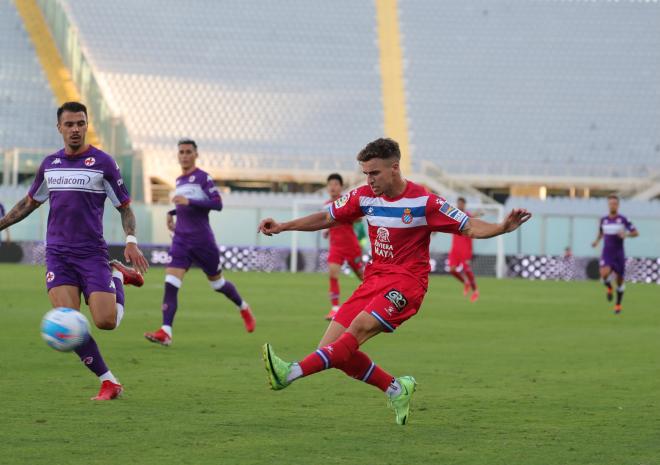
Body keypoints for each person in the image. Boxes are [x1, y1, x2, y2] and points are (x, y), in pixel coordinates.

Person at [258, 138, 531, 425]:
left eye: (374, 173)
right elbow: (328, 216)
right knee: (333, 351)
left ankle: (290, 373)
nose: (369, 179)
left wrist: (502, 228)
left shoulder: (425, 202)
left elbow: (469, 225)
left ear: (394, 168)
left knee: (357, 330)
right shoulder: (364, 196)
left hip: (407, 284)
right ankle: (396, 388)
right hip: (374, 280)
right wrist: (284, 226)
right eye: (365, 173)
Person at [0, 101, 148, 400]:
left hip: (92, 253)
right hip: (58, 254)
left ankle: (117, 277)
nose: (75, 129)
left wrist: (131, 239)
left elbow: (125, 208)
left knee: (106, 322)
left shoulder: (103, 163)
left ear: (86, 125)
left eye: (81, 123)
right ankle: (109, 382)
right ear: (60, 128)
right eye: (69, 124)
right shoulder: (49, 165)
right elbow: (29, 204)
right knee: (68, 323)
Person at [144, 139, 255, 346]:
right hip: (181, 240)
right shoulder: (178, 180)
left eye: (188, 152)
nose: (184, 155)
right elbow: (185, 207)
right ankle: (166, 331)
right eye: (181, 152)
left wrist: (189, 201)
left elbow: (217, 204)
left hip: (202, 241)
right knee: (171, 284)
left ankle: (243, 306)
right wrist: (172, 212)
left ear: (196, 154)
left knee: (218, 284)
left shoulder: (203, 178)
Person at [323, 173, 364, 320]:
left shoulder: (345, 201)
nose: (333, 187)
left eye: (336, 184)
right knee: (333, 274)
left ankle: (373, 301)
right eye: (330, 184)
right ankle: (335, 308)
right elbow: (326, 221)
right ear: (328, 187)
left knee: (363, 276)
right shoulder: (326, 205)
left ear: (341, 187)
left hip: (351, 246)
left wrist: (346, 216)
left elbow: (359, 218)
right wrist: (327, 230)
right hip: (336, 247)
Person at [591, 194, 638, 314]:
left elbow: (635, 232)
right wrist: (596, 241)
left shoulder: (623, 219)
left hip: (619, 253)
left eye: (615, 203)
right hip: (607, 252)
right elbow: (601, 232)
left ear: (618, 205)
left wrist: (626, 235)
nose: (613, 205)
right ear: (608, 205)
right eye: (611, 203)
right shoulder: (604, 220)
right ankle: (609, 287)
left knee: (619, 280)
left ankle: (617, 305)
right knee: (604, 274)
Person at [447, 197, 479, 302]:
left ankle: (475, 290)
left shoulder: (466, 216)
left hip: (465, 248)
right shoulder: (453, 214)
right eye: (458, 203)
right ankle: (466, 283)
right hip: (455, 248)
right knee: (451, 270)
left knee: (466, 269)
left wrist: (477, 214)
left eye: (461, 203)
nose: (460, 205)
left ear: (464, 205)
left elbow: (472, 217)